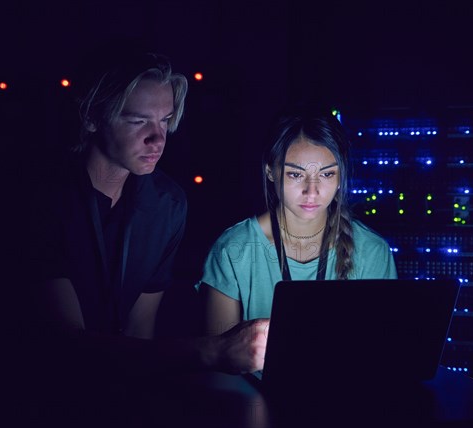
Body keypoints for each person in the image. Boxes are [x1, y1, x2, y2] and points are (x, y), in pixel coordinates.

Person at [26, 51, 268, 377]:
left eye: (165, 120)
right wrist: (210, 352)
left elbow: (141, 331)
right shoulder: (44, 199)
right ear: (91, 117)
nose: (158, 138)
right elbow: (65, 345)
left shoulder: (166, 205)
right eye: (138, 121)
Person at [196, 107, 398, 336]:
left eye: (326, 174)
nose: (311, 191)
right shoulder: (233, 250)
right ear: (270, 171)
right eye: (296, 174)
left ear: (341, 176)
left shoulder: (372, 250)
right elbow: (219, 360)